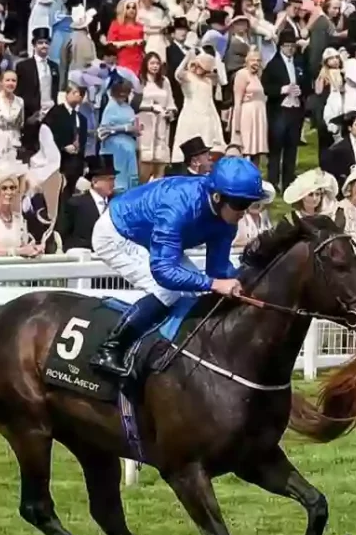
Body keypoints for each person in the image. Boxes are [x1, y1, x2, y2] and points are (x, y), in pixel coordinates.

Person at [87, 155, 267, 380]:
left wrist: (244, 282)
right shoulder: (180, 205)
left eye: (249, 203)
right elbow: (163, 271)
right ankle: (110, 349)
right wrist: (214, 283)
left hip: (150, 237)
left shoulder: (226, 220)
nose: (244, 211)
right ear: (218, 196)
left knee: (196, 291)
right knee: (168, 291)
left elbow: (218, 269)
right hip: (118, 232)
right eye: (240, 203)